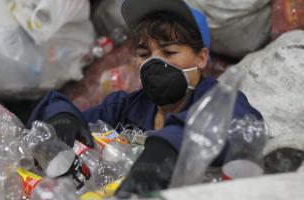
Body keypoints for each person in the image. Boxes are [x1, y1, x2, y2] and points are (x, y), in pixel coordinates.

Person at [27, 0, 263, 197]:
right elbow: (70, 116)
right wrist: (61, 116)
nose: (154, 63)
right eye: (144, 54)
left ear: (201, 59)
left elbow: (239, 123)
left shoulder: (217, 101)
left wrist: (166, 147)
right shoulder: (124, 107)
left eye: (169, 52)